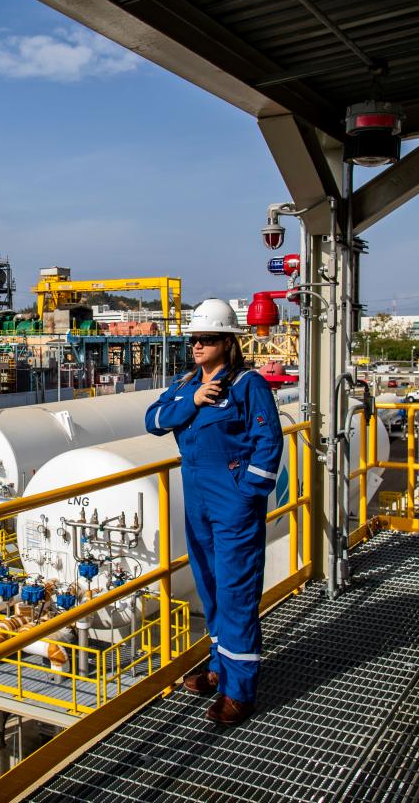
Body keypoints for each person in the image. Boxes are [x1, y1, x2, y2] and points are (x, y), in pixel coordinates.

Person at [145, 298, 283, 724]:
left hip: (232, 501)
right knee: (209, 587)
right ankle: (219, 667)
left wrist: (247, 495)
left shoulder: (247, 385)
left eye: (206, 339)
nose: (197, 346)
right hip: (198, 499)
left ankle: (239, 691)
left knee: (236, 592)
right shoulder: (187, 384)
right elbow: (153, 419)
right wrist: (196, 401)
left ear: (227, 342)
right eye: (194, 339)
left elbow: (269, 444)